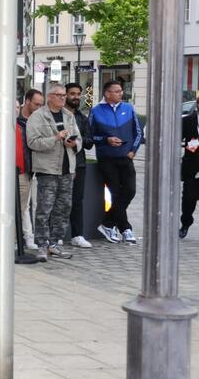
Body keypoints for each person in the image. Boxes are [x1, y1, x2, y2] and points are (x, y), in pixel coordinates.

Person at [27, 83, 81, 260]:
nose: (62, 98)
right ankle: (42, 245)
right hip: (47, 170)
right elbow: (33, 142)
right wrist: (55, 138)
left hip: (67, 169)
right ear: (49, 96)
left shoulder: (68, 115)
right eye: (58, 95)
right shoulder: (37, 116)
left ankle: (54, 243)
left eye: (63, 95)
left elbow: (78, 138)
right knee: (44, 209)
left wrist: (74, 144)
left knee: (63, 208)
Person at [88, 79, 142, 244]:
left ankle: (108, 223)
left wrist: (133, 151)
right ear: (107, 93)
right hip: (107, 158)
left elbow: (138, 132)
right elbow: (89, 137)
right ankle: (125, 229)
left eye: (121, 91)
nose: (121, 93)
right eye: (117, 91)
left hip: (126, 157)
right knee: (116, 193)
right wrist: (106, 140)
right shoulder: (95, 111)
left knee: (130, 191)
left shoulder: (128, 108)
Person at [65, 83, 94, 248]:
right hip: (61, 164)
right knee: (59, 200)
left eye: (78, 94)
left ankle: (77, 234)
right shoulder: (58, 115)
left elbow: (89, 142)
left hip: (79, 163)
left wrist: (79, 140)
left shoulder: (83, 118)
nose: (76, 97)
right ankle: (57, 235)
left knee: (77, 200)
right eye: (72, 94)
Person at [16, 89, 44, 250]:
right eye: (36, 104)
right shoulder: (16, 119)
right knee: (22, 205)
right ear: (27, 101)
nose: (39, 107)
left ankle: (30, 236)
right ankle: (25, 237)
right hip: (23, 167)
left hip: (38, 165)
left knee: (36, 204)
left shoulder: (40, 119)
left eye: (41, 104)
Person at [180, 104, 199, 238]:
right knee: (188, 199)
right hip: (192, 166)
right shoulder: (187, 121)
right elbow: (176, 139)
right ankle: (186, 223)